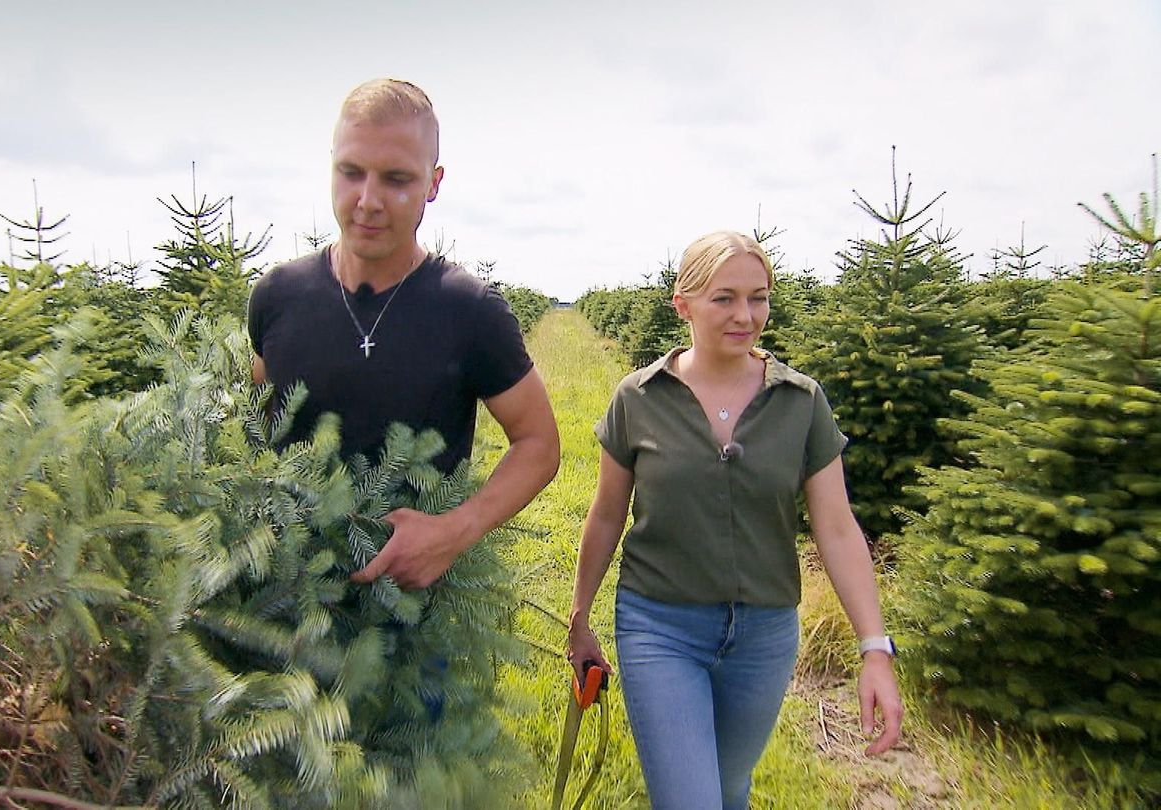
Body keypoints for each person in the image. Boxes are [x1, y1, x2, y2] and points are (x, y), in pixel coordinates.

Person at [565, 231, 903, 809]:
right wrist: (579, 616)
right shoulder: (638, 397)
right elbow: (606, 514)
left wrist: (874, 647)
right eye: (724, 298)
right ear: (684, 305)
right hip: (659, 626)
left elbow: (838, 527)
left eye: (759, 297)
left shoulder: (800, 402)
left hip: (763, 636)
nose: (745, 315)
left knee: (727, 789)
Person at [247, 78, 560, 590]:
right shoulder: (277, 297)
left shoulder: (469, 309)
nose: (368, 200)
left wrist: (452, 532)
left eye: (396, 179)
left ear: (433, 184)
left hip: (415, 616)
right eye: (351, 173)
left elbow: (539, 443)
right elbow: (257, 421)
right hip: (285, 605)